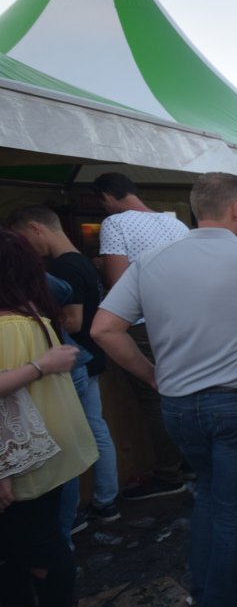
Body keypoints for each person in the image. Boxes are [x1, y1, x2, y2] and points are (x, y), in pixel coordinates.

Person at [92, 174, 237, 607]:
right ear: (236, 209)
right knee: (235, 514)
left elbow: (104, 329)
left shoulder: (153, 260)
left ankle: (205, 595)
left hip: (179, 405)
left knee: (209, 498)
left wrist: (151, 375)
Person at [0, 229, 97, 607]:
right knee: (23, 540)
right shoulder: (29, 315)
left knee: (36, 541)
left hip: (25, 454)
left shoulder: (9, 325)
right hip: (42, 447)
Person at [8, 206, 121, 525]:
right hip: (85, 356)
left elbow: (73, 321)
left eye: (21, 238)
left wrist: (35, 320)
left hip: (70, 359)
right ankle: (105, 500)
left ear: (36, 228)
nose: (24, 248)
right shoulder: (81, 261)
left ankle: (80, 512)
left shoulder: (64, 267)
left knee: (69, 438)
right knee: (92, 430)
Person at [92, 172, 190, 500]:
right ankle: (190, 462)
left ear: (106, 197)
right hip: (181, 318)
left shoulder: (115, 224)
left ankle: (168, 472)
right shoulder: (176, 225)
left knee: (155, 395)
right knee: (183, 388)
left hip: (142, 321)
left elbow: (118, 281)